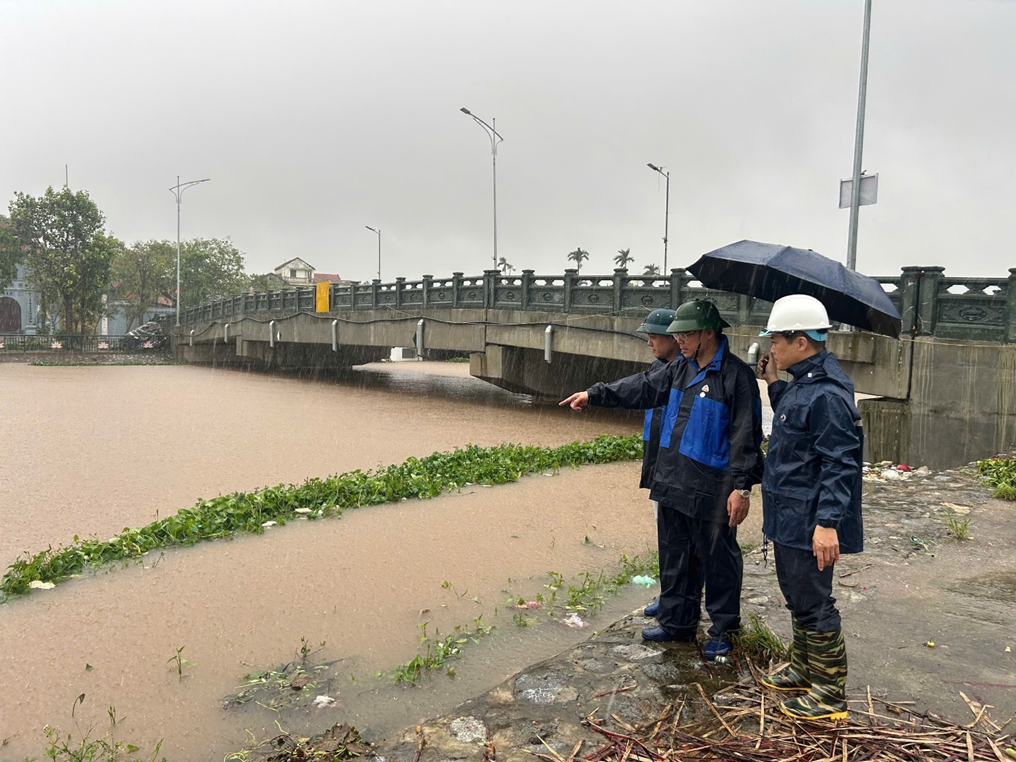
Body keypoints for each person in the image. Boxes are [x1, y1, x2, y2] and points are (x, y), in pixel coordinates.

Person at [561, 300, 764, 658]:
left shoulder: (736, 377)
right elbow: (641, 387)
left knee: (718, 561)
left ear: (708, 332)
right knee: (676, 557)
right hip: (672, 478)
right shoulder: (679, 369)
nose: (679, 340)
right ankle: (677, 623)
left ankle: (724, 629)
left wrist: (741, 487)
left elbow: (745, 435)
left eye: (686, 333)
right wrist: (595, 394)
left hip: (712, 487)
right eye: (677, 334)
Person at [756, 294, 863, 721]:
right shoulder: (804, 384)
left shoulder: (828, 394)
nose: (772, 348)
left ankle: (830, 693)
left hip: (809, 517)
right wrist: (774, 382)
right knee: (797, 596)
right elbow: (797, 424)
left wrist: (827, 524)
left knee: (815, 602)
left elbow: (840, 464)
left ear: (801, 341)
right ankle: (805, 668)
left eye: (777, 340)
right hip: (789, 512)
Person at [634, 309, 681, 618]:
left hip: (677, 473)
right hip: (658, 468)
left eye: (654, 336)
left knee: (678, 542)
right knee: (667, 538)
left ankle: (676, 603)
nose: (649, 341)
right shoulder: (658, 369)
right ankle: (669, 596)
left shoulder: (682, 374)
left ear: (674, 338)